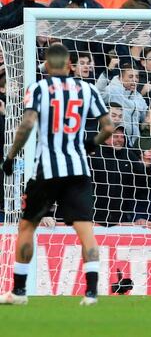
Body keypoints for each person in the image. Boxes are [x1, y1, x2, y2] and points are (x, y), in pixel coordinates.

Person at [0, 43, 114, 305]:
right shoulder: (87, 89)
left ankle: (18, 292)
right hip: (78, 169)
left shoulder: (39, 88)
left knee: (28, 226)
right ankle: (92, 293)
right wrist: (91, 144)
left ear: (47, 66)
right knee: (85, 230)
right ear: (70, 65)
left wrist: (10, 157)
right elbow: (108, 127)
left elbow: (27, 123)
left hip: (46, 171)